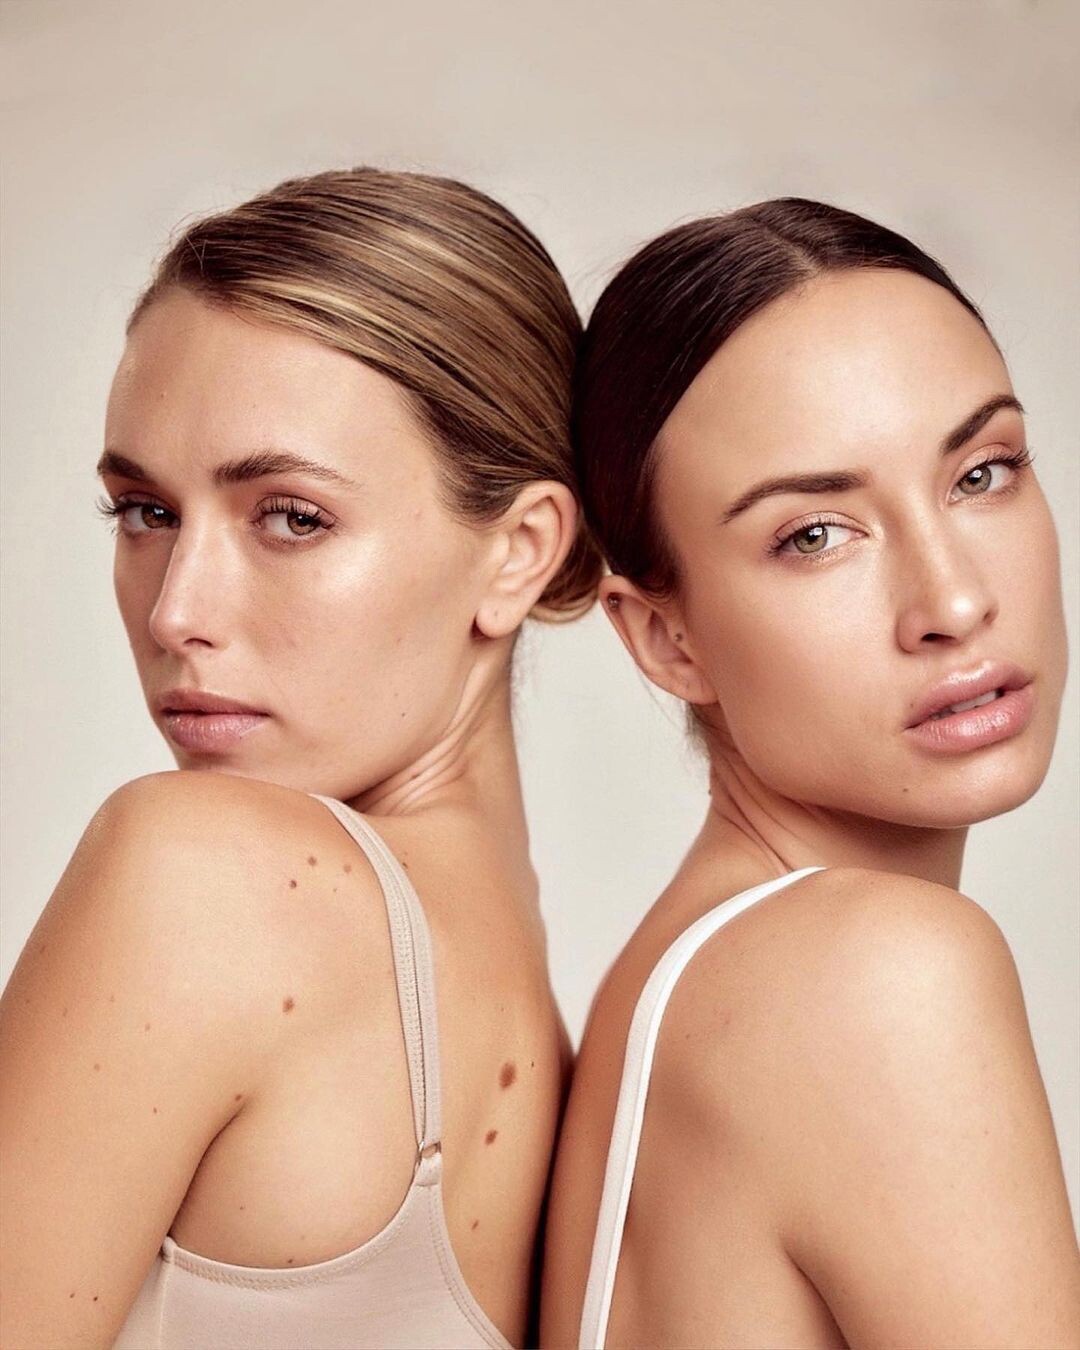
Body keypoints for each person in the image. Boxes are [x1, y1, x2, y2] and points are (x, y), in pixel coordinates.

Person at [0, 166, 600, 1349]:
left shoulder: (205, 875)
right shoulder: (571, 1035)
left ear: (520, 551)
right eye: (145, 512)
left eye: (291, 516)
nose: (176, 611)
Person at [542, 198, 1080, 1348]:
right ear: (666, 639)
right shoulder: (874, 973)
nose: (954, 602)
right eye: (815, 535)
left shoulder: (692, 979)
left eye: (982, 474)